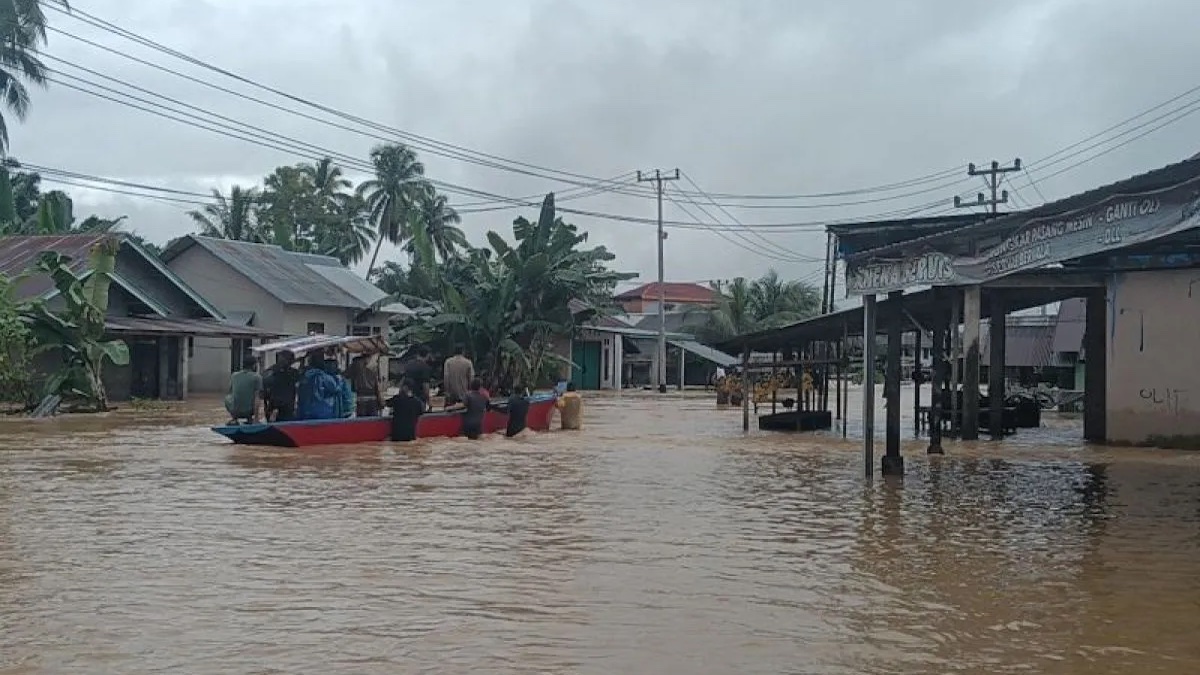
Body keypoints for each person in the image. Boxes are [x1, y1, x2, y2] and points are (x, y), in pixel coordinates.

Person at [297, 351, 341, 420]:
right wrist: (337, 377)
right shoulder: (322, 376)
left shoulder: (303, 376)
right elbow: (336, 388)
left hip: (304, 412)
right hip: (322, 412)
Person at [262, 351, 300, 422]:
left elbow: (264, 389)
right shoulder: (292, 372)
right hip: (287, 406)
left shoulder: (270, 371)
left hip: (273, 405)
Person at [224, 355, 262, 424]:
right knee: (258, 397)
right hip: (249, 411)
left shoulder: (234, 375)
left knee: (228, 397)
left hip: (234, 410)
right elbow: (257, 398)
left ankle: (234, 419)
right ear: (254, 366)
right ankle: (250, 418)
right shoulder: (257, 377)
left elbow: (230, 392)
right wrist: (256, 418)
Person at [405, 347, 433, 411]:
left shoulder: (409, 364)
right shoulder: (425, 367)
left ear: (418, 354)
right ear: (428, 355)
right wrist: (429, 402)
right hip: (419, 400)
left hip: (407, 398)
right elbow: (425, 387)